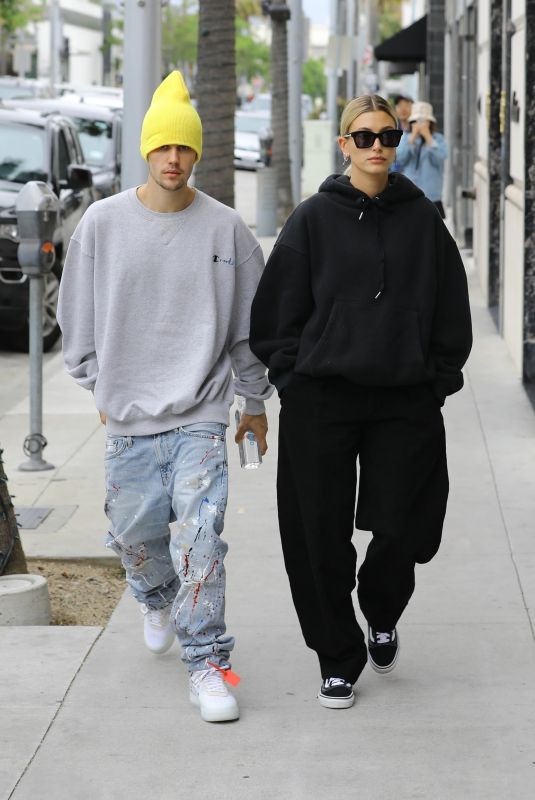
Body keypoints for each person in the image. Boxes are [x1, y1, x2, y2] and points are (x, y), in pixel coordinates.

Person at [57, 71, 272, 723]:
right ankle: (155, 595)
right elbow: (76, 310)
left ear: (196, 153)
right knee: (135, 538)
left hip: (201, 416)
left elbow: (248, 326)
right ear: (146, 152)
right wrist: (96, 379)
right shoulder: (103, 223)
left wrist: (254, 401)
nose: (173, 159)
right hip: (126, 415)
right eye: (162, 147)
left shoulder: (226, 230)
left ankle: (207, 662)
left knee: (200, 537)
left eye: (184, 148)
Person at [249, 94, 472, 710]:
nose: (378, 146)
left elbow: (452, 306)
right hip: (322, 401)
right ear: (344, 144)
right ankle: (336, 656)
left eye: (388, 136)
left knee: (405, 525)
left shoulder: (423, 218)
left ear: (398, 143)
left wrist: (438, 380)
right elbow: (275, 316)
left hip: (405, 399)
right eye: (365, 136)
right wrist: (292, 380)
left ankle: (380, 608)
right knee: (318, 534)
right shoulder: (312, 218)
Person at [396, 100, 448, 217]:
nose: (419, 124)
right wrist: (412, 138)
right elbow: (400, 158)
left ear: (430, 122)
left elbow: (442, 156)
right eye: (415, 121)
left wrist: (428, 138)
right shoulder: (405, 138)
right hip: (409, 194)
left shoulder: (438, 139)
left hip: (432, 196)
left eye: (423, 121)